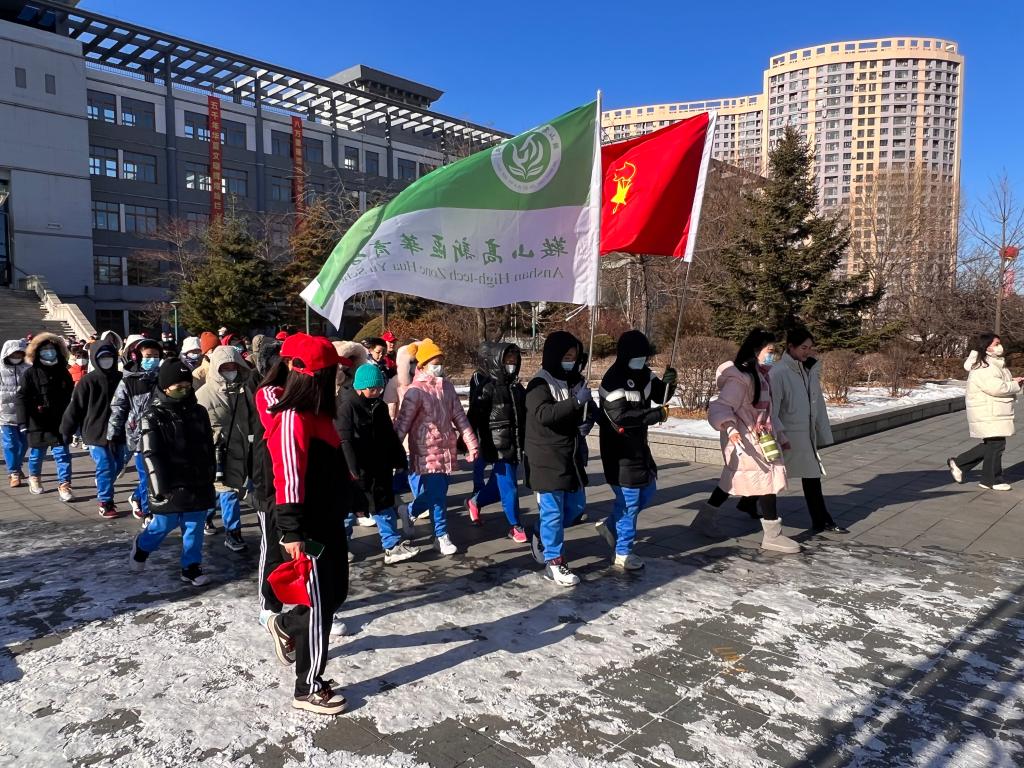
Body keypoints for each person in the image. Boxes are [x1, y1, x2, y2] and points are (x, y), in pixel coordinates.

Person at [264, 333, 350, 715]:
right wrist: (292, 531)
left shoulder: (322, 415)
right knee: (317, 604)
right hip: (306, 527)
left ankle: (285, 625)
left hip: (330, 521)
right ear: (314, 377)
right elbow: (288, 478)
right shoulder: (291, 418)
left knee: (334, 594)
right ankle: (309, 688)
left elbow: (333, 470)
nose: (338, 379)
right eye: (333, 373)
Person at [691, 329, 798, 554]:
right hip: (745, 439)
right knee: (767, 480)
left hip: (758, 438)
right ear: (755, 351)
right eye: (770, 351)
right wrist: (730, 428)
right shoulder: (741, 379)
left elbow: (767, 413)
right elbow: (721, 407)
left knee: (731, 481)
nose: (773, 356)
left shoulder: (761, 376)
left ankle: (705, 519)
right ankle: (773, 535)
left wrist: (781, 435)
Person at [129, 361, 216, 586]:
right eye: (178, 387)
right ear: (166, 387)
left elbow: (208, 445)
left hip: (197, 479)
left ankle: (191, 566)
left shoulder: (199, 412)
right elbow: (151, 453)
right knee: (164, 524)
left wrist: (211, 473)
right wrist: (159, 487)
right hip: (168, 480)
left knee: (195, 525)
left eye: (187, 386)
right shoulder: (153, 415)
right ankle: (142, 545)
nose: (184, 391)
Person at [596, 330, 677, 570]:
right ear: (625, 355)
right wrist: (654, 415)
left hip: (640, 447)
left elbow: (660, 395)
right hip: (618, 450)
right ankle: (623, 552)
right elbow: (620, 416)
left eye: (644, 356)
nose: (641, 360)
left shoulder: (644, 374)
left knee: (648, 491)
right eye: (637, 356)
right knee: (629, 502)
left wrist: (669, 383)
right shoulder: (612, 379)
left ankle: (611, 525)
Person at [394, 339, 479, 556]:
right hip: (425, 449)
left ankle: (409, 510)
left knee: (438, 491)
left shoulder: (447, 387)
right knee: (438, 495)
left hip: (446, 448)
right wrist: (393, 452)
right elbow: (403, 423)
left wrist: (471, 443)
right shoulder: (415, 391)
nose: (439, 367)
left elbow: (459, 417)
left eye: (441, 362)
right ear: (422, 365)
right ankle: (440, 535)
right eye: (435, 363)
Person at [523, 331, 592, 587]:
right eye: (566, 356)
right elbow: (544, 414)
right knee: (553, 512)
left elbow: (589, 409)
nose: (570, 361)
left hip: (570, 456)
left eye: (574, 357)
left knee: (575, 507)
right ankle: (554, 562)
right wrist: (575, 403)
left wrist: (587, 420)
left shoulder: (576, 381)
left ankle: (539, 531)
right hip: (545, 457)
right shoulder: (539, 383)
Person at [337, 363, 418, 564]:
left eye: (379, 389)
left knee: (383, 505)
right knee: (350, 509)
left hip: (379, 467)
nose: (377, 393)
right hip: (356, 470)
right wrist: (352, 468)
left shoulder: (379, 406)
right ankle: (340, 544)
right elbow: (344, 440)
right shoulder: (347, 406)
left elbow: (389, 436)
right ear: (361, 387)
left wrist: (399, 458)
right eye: (373, 389)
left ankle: (391, 545)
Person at [769, 328, 848, 534]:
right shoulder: (778, 373)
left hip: (805, 435)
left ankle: (821, 520)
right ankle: (749, 505)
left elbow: (817, 403)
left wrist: (822, 431)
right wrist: (777, 435)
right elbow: (772, 410)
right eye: (803, 347)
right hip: (786, 436)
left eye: (810, 348)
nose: (808, 352)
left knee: (812, 476)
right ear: (791, 347)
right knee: (772, 477)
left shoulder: (809, 370)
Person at [466, 342, 528, 543]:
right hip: (497, 445)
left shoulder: (517, 387)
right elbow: (474, 416)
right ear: (497, 361)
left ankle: (475, 502)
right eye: (508, 360)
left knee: (497, 486)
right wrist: (467, 442)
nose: (511, 364)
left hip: (516, 445)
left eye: (514, 360)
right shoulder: (487, 387)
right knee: (509, 486)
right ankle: (515, 525)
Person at [196, 345, 255, 550]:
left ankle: (207, 514)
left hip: (242, 449)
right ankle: (233, 532)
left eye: (234, 366)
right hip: (217, 453)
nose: (230, 370)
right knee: (229, 490)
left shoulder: (243, 391)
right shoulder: (203, 395)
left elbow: (253, 417)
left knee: (223, 490)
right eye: (225, 367)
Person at [948, 333, 1023, 491]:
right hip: (989, 409)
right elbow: (995, 388)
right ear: (986, 346)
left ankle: (960, 464)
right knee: (996, 444)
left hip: (993, 408)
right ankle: (991, 480)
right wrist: (1014, 385)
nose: (999, 346)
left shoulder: (992, 362)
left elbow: (998, 383)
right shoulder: (984, 365)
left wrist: (1012, 381)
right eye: (996, 344)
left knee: (993, 444)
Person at [60, 339, 125, 518]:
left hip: (118, 431)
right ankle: (105, 501)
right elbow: (75, 407)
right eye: (102, 357)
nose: (106, 360)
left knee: (118, 465)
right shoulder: (88, 381)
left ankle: (103, 480)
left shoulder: (122, 378)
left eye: (109, 356)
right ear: (95, 359)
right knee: (105, 464)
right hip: (95, 432)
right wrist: (66, 430)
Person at [107, 338, 163, 520]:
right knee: (146, 475)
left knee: (158, 474)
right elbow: (118, 407)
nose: (152, 359)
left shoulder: (163, 377)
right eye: (148, 355)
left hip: (162, 433)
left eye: (156, 356)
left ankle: (137, 497)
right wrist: (112, 434)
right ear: (138, 357)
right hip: (138, 435)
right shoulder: (128, 380)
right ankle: (148, 512)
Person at [16, 333, 75, 500]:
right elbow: (21, 398)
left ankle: (64, 484)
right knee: (37, 454)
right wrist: (23, 422)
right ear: (37, 352)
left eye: (52, 349)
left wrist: (73, 419)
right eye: (45, 349)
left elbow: (71, 396)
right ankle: (34, 477)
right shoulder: (30, 373)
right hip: (38, 421)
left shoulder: (63, 371)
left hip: (60, 421)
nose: (49, 352)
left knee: (63, 454)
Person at [1, 339, 29, 488]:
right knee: (10, 444)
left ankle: (17, 465)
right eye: (14, 354)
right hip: (5, 414)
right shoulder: (1, 370)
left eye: (20, 354)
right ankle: (14, 473)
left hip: (25, 413)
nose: (17, 357)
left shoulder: (28, 368)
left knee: (24, 443)